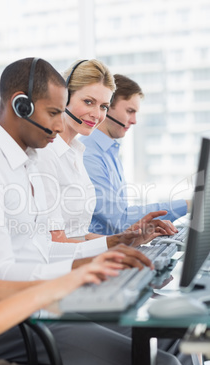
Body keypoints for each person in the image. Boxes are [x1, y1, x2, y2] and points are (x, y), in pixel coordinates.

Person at [0, 57, 209, 365]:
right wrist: (77, 272)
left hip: (41, 306)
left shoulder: (29, 161)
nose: (59, 127)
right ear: (21, 105)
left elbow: (43, 246)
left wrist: (103, 252)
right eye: (54, 113)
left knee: (182, 343)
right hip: (22, 323)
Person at [36, 60, 177, 243]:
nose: (96, 114)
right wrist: (115, 246)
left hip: (79, 262)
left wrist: (127, 240)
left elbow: (78, 233)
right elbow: (55, 242)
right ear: (64, 96)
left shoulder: (76, 152)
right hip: (63, 268)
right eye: (88, 102)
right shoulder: (46, 153)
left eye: (103, 106)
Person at [80, 74, 189, 235]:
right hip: (99, 254)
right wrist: (188, 204)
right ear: (106, 108)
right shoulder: (88, 154)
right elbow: (120, 219)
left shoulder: (110, 152)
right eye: (130, 111)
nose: (134, 120)